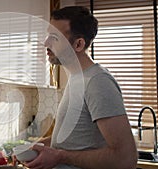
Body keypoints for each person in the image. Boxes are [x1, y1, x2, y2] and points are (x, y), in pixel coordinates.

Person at [25, 6, 138, 169]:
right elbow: (78, 140)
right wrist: (42, 146)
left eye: (55, 38)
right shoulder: (77, 78)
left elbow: (125, 159)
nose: (46, 43)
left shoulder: (98, 82)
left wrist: (59, 157)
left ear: (78, 44)